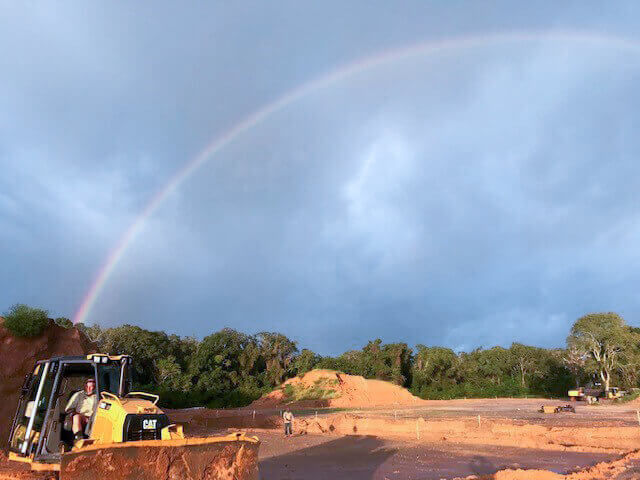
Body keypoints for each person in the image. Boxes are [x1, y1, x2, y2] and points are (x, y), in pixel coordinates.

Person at [65, 378, 97, 444]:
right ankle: (79, 439)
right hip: (82, 417)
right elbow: (68, 409)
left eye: (91, 387)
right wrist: (74, 413)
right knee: (76, 417)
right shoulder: (78, 395)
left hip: (94, 418)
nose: (89, 389)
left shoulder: (98, 396)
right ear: (85, 386)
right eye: (87, 387)